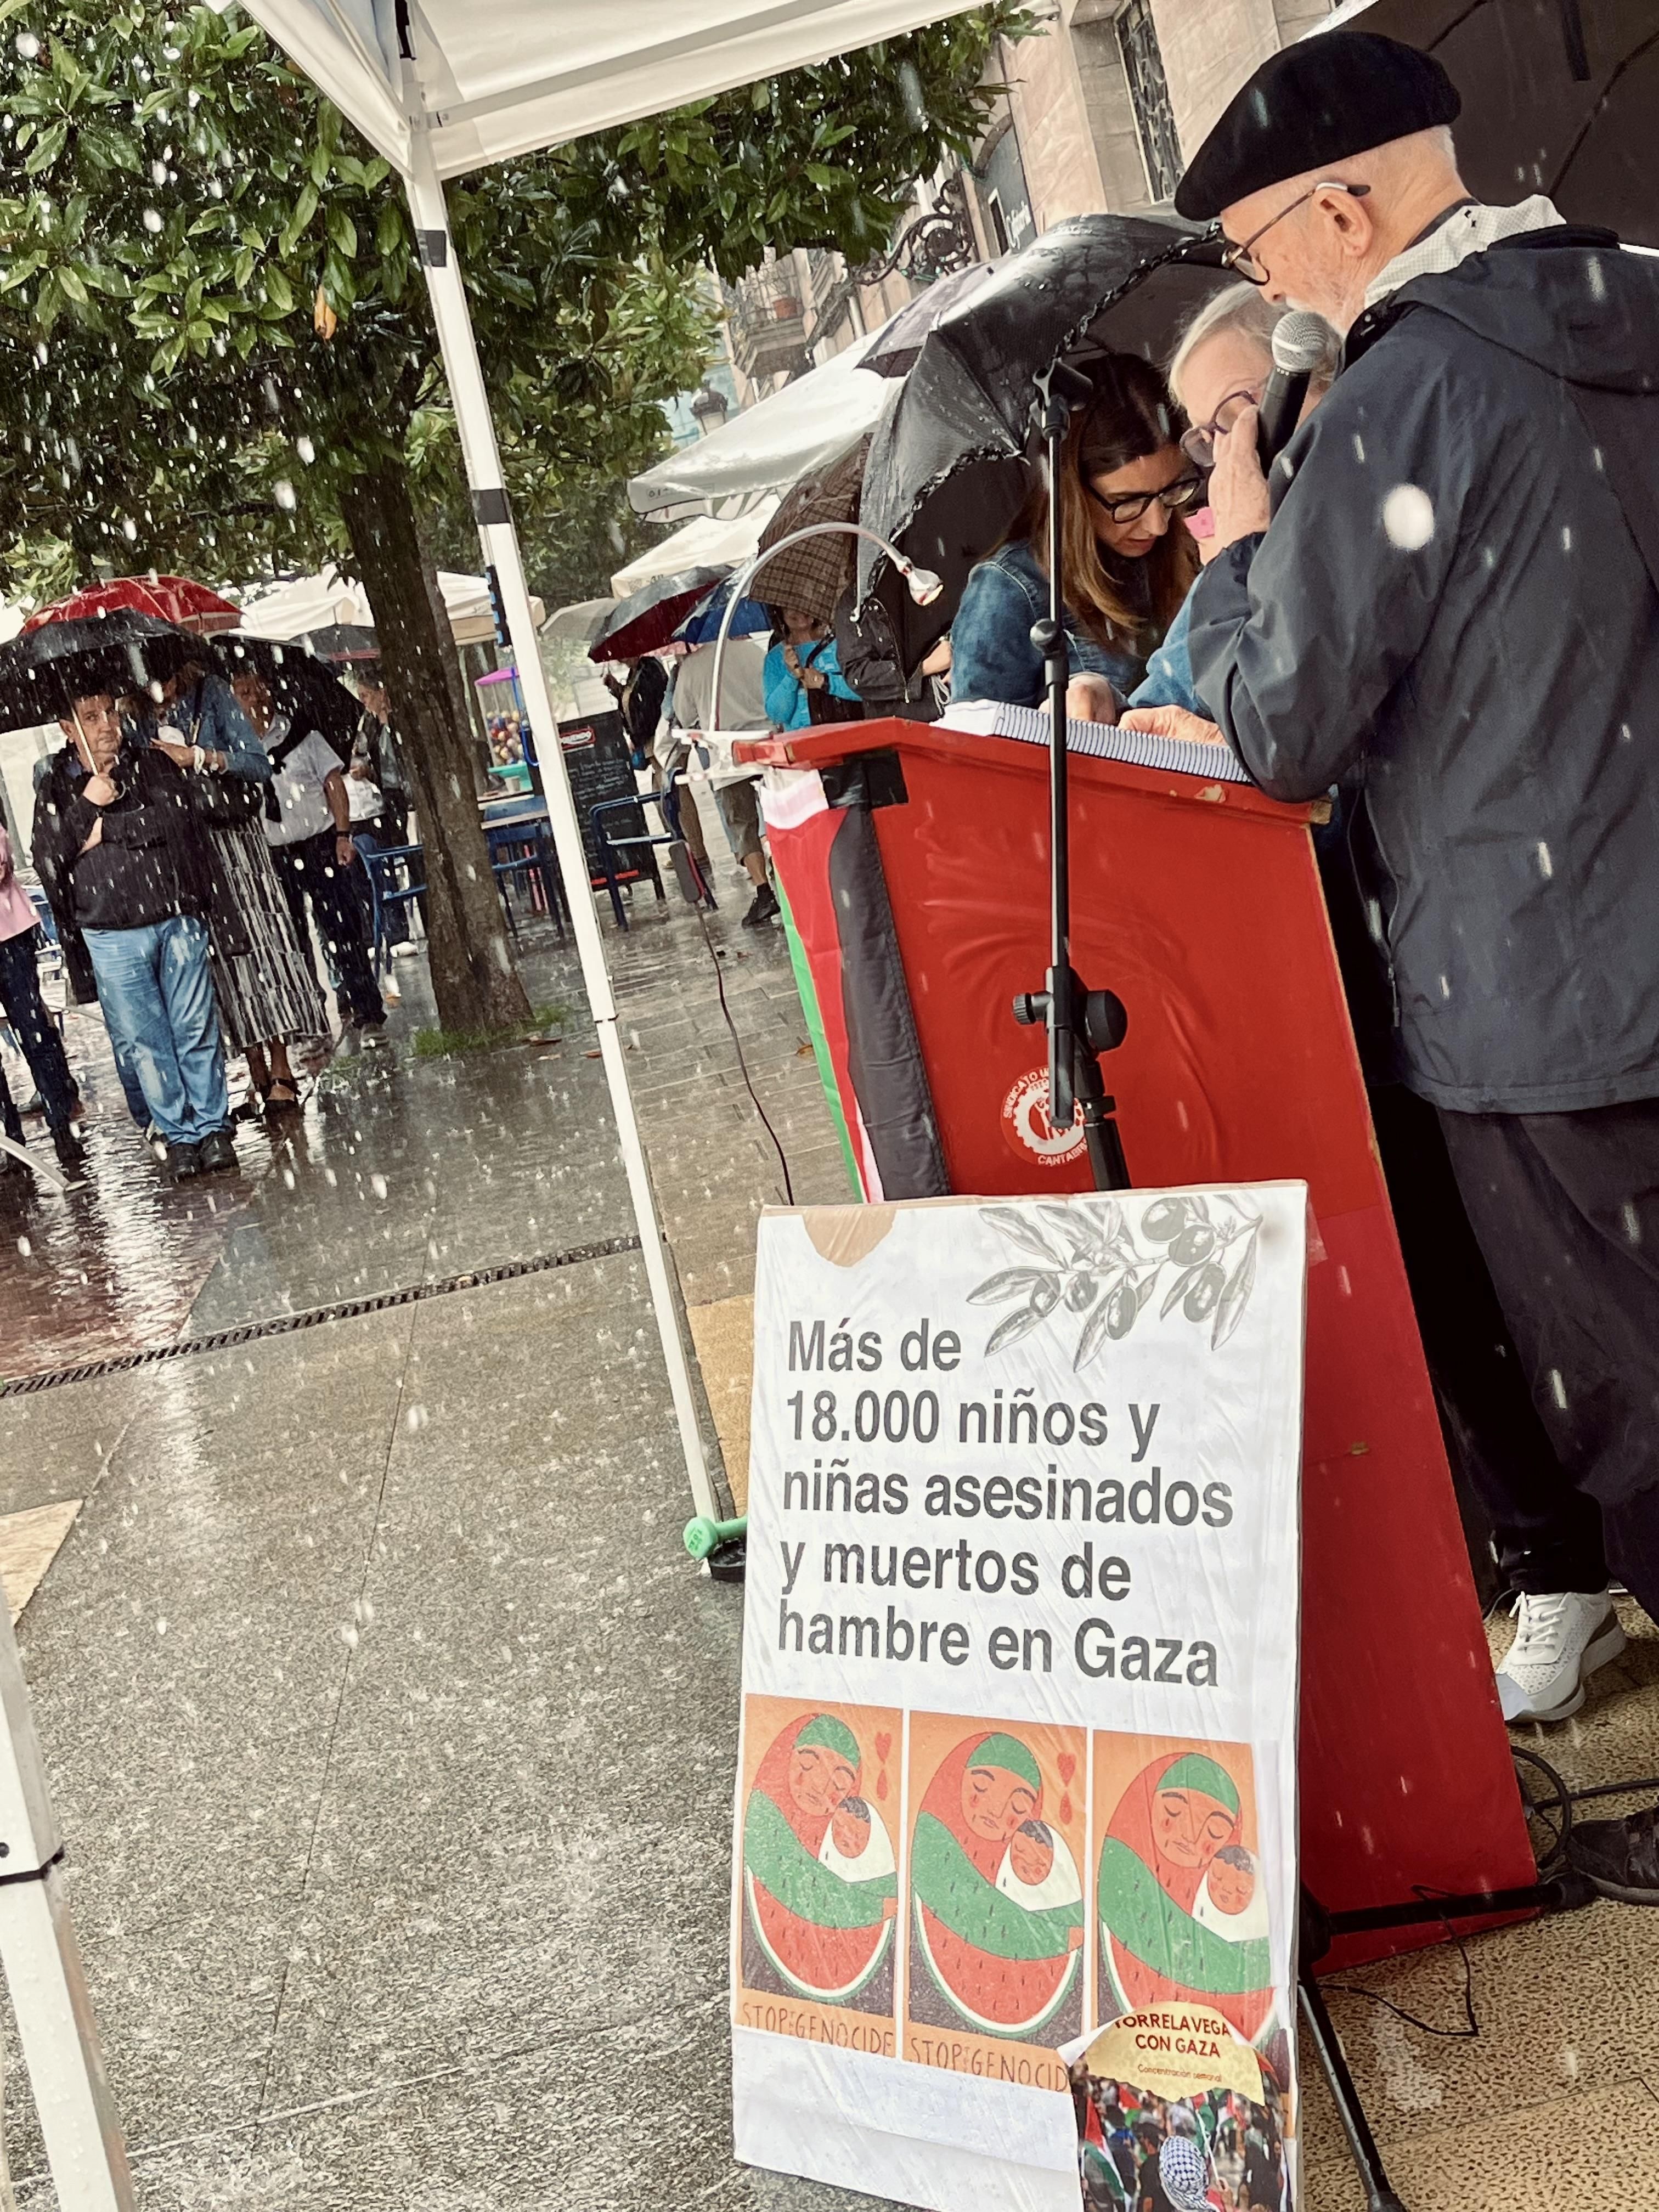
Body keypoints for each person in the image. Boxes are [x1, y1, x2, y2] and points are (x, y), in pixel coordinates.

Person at [1172, 28, 1659, 1899]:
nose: (1267, 290)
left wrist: (1233, 560)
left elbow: (1281, 723)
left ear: (1348, 204)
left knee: (1627, 1402)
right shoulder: (1624, 297)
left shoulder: (1402, 398)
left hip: (1544, 1004)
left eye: (1261, 248)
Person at [1128, 285, 1571, 1640]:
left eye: (1229, 428)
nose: (1215, 469)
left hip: (1497, 950)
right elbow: (1207, 698)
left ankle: (1569, 1564)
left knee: (1565, 1312)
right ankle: (1562, 1564)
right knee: (1488, 1288)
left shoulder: (1364, 475)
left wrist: (1242, 553)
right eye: (1206, 447)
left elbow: (1281, 721)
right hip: (1424, 960)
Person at [31, 691, 241, 1179]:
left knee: (195, 1027)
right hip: (109, 931)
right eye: (91, 717)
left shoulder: (152, 762)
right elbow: (49, 857)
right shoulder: (55, 786)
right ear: (68, 728)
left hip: (175, 916)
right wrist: (87, 805)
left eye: (110, 713)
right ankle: (179, 1134)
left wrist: (108, 830)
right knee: (147, 1041)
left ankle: (213, 1127)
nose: (106, 725)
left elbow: (176, 820)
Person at [949, 353, 1204, 717]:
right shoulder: (1009, 590)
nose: (1158, 526)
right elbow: (976, 759)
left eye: (1170, 492)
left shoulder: (1183, 552)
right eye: (1127, 503)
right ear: (1070, 492)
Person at [154, 664, 325, 1115]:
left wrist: (201, 757)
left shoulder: (210, 694)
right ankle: (256, 1074)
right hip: (188, 851)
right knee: (219, 965)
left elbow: (257, 764)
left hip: (235, 843)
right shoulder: (133, 718)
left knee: (261, 951)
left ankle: (282, 1068)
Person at [231, 670, 386, 1036]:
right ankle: (307, 1015)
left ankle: (366, 1007)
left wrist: (343, 834)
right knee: (291, 938)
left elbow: (334, 783)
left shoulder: (302, 733)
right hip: (275, 855)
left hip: (319, 844)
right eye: (243, 693)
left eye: (257, 688)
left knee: (343, 928)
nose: (254, 698)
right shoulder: (238, 749)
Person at [672, 634, 778, 928]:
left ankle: (763, 890)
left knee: (742, 823)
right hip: (768, 744)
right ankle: (787, 875)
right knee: (778, 814)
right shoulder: (754, 652)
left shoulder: (692, 667)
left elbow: (684, 715)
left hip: (726, 754)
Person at [0, 820, 83, 1174]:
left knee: (34, 1030)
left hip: (10, 935)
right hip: (12, 931)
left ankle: (61, 1124)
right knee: (34, 1031)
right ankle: (11, 1139)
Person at [763, 608, 861, 733]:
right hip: (802, 743)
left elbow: (866, 690)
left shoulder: (842, 643)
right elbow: (777, 716)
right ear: (779, 612)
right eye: (789, 606)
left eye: (802, 600)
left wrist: (824, 681)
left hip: (852, 735)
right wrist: (792, 677)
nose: (798, 609)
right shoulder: (775, 658)